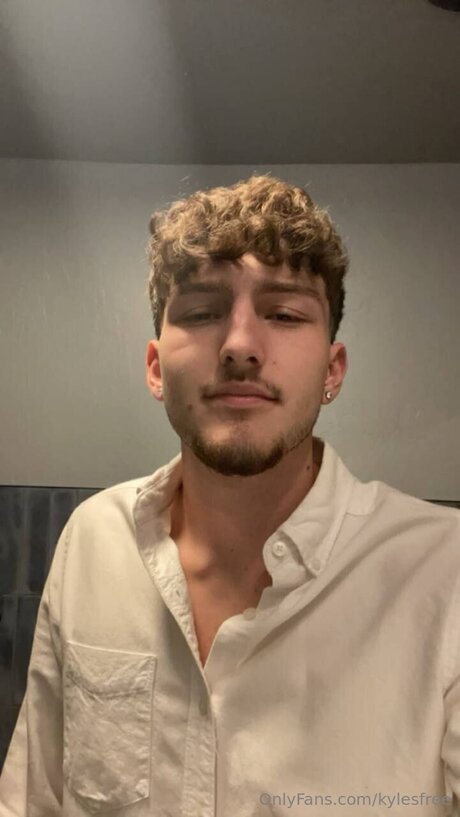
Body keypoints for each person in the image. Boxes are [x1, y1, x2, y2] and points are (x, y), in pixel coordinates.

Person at [0, 174, 459, 817]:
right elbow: (32, 800)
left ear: (332, 370)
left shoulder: (445, 573)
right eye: (201, 312)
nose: (240, 345)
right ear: (156, 368)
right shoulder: (92, 540)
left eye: (284, 314)